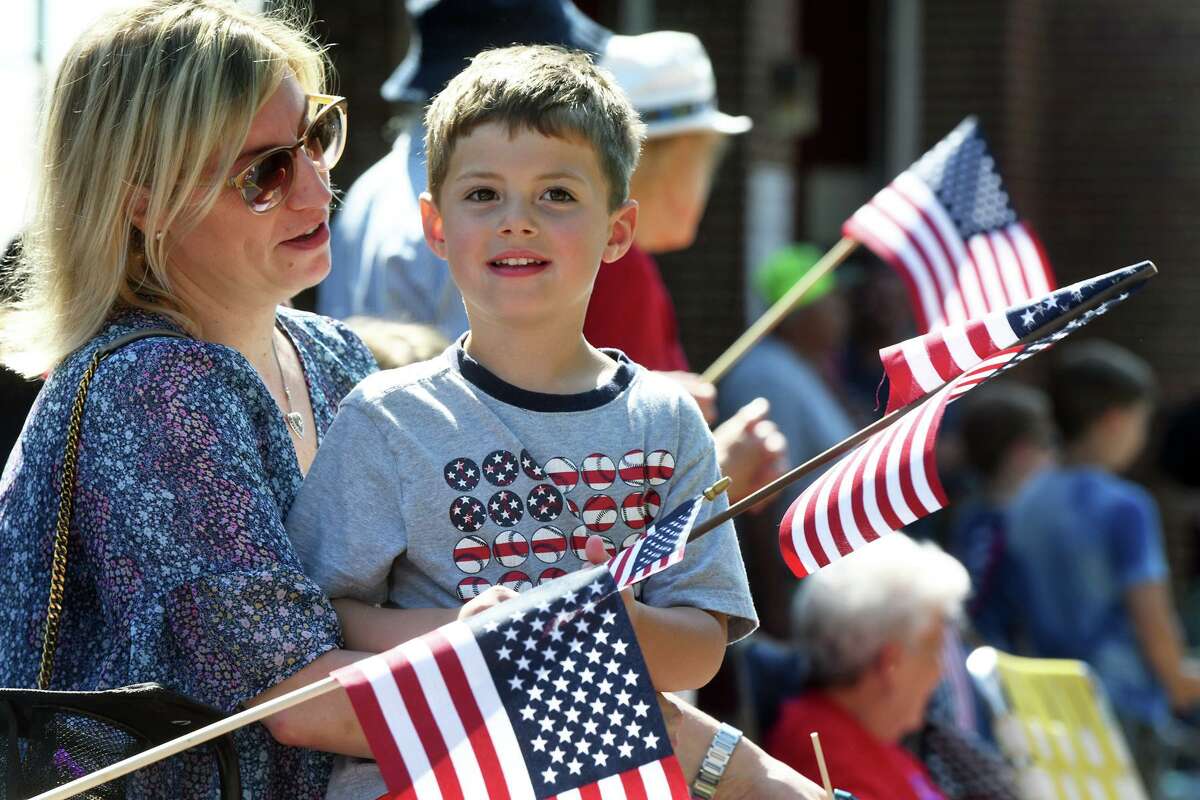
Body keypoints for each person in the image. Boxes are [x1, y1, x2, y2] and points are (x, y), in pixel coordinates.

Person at [0, 3, 831, 798]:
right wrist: (717, 761)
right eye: (263, 173)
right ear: (141, 200)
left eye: (315, 138)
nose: (314, 188)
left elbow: (427, 629)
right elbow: (307, 703)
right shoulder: (154, 390)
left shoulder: (330, 355)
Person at [285, 44, 759, 798]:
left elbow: (703, 646)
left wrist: (621, 623)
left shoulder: (666, 422)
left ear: (618, 230)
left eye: (557, 196)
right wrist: (463, 633)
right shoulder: (389, 417)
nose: (518, 222)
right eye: (483, 195)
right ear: (436, 227)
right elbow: (324, 617)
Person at [590, 30, 787, 506]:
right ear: (654, 160)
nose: (709, 179)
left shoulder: (615, 261)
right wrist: (721, 470)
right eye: (705, 156)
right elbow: (615, 479)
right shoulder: (616, 267)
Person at [1002, 341, 1200, 762]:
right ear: (1115, 421)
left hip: (1049, 709)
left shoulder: (1025, 500)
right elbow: (1155, 629)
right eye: (1142, 422)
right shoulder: (1125, 506)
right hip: (1122, 712)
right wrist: (1179, 681)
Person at [715, 243, 857, 637]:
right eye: (830, 301)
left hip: (826, 579)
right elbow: (765, 494)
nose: (841, 312)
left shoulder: (801, 367)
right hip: (801, 588)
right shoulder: (768, 376)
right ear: (799, 317)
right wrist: (772, 614)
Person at [766, 533, 970, 800]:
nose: (940, 671)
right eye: (933, 650)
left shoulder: (869, 736)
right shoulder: (827, 763)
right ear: (891, 663)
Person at [948, 382, 1056, 649]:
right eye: (1048, 443)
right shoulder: (993, 527)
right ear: (1021, 453)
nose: (1055, 455)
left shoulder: (978, 516)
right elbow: (970, 609)